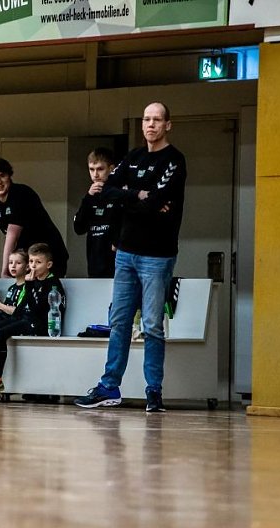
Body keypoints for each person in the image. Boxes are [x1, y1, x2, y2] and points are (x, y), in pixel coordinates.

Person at [74, 102, 187, 413]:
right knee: (119, 322)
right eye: (146, 120)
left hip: (157, 255)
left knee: (151, 325)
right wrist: (138, 195)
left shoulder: (174, 161)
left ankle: (154, 392)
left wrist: (131, 196)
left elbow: (158, 200)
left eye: (157, 120)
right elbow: (104, 189)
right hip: (125, 252)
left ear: (168, 125)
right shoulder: (133, 157)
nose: (150, 125)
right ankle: (109, 386)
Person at [0, 243, 65, 396]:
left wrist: (29, 287)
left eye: (38, 262)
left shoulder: (53, 284)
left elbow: (37, 311)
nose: (33, 266)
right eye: (31, 261)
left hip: (41, 324)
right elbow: (22, 309)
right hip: (25, 319)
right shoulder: (33, 282)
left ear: (48, 264)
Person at [0, 157, 69, 278]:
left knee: (44, 290)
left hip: (49, 254)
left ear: (9, 176)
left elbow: (12, 235)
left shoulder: (22, 194)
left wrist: (5, 271)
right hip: (27, 257)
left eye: (2, 176)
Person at [73, 147, 122, 278]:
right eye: (91, 169)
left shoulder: (120, 194)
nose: (95, 174)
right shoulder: (90, 197)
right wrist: (88, 197)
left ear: (111, 169)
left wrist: (117, 242)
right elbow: (78, 228)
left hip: (117, 263)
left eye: (100, 169)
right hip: (95, 261)